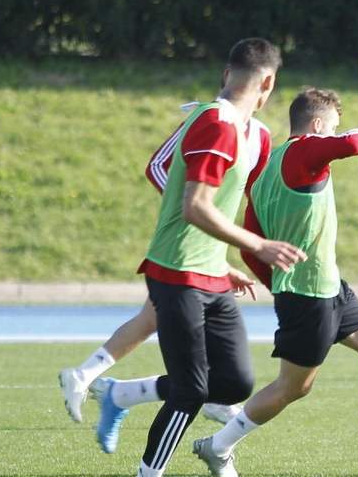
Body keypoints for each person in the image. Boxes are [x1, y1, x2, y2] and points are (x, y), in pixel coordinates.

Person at [191, 89, 358, 477]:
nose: (333, 133)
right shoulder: (304, 151)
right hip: (309, 295)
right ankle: (217, 446)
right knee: (292, 388)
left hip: (326, 287)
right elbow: (352, 143)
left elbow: (251, 249)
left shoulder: (265, 172)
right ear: (317, 125)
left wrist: (280, 285)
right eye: (330, 126)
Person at [120, 39, 307, 477]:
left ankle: (122, 394)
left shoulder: (254, 134)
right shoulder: (215, 124)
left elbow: (221, 207)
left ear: (229, 73)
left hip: (210, 273)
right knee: (190, 389)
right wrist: (258, 246)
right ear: (268, 83)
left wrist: (227, 260)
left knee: (234, 382)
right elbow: (195, 207)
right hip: (176, 272)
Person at [58, 100, 271, 444]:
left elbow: (244, 195)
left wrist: (224, 248)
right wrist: (188, 203)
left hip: (209, 250)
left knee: (154, 320)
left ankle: (95, 381)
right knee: (169, 334)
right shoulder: (209, 118)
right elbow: (159, 166)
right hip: (183, 245)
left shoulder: (261, 136)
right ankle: (98, 383)